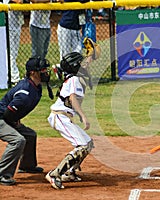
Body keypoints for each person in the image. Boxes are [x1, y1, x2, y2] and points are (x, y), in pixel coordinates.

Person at [45, 52, 94, 190]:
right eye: (80, 63)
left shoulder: (73, 77)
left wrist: (92, 55)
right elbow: (72, 99)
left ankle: (69, 172)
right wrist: (83, 116)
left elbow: (85, 64)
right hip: (60, 117)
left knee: (88, 143)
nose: (84, 65)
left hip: (63, 117)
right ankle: (55, 174)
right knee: (82, 145)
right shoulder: (74, 79)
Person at [0, 57, 52, 186]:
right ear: (33, 72)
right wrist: (14, 122)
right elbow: (8, 113)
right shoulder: (25, 91)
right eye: (43, 70)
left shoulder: (36, 86)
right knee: (18, 140)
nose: (46, 72)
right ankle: (2, 173)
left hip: (7, 117)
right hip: (2, 118)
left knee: (30, 135)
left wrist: (15, 119)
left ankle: (27, 166)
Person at [4, 0, 24, 85]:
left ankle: (11, 75)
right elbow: (19, 1)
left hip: (16, 24)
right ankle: (14, 78)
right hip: (9, 25)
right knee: (11, 53)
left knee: (14, 53)